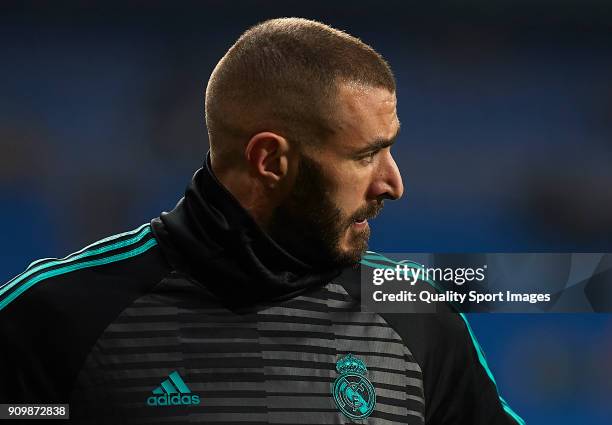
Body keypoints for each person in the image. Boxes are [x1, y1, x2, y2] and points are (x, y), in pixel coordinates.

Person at [0, 18, 523, 425]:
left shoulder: (417, 320)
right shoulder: (52, 317)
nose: (393, 182)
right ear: (270, 161)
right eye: (366, 155)